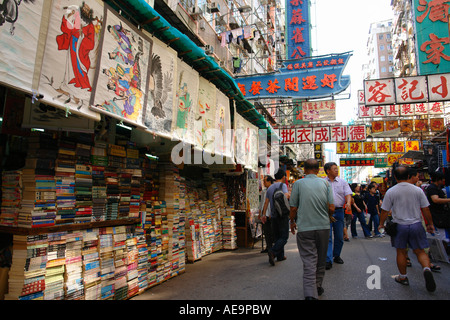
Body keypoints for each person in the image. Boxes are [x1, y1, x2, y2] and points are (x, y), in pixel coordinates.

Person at [379, 166, 436, 292]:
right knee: (420, 251)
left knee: (401, 252)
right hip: (416, 224)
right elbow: (425, 209)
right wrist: (430, 224)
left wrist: (381, 224)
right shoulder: (417, 190)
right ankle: (426, 269)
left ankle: (403, 277)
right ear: (409, 176)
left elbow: (384, 210)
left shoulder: (391, 191)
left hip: (399, 226)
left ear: (394, 177)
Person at [289, 159, 335, 300]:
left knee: (309, 261)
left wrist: (292, 221)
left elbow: (293, 207)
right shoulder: (325, 183)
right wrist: (328, 216)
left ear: (304, 169)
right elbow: (332, 207)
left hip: (305, 229)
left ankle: (310, 294)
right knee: (321, 260)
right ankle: (318, 285)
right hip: (323, 227)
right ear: (318, 170)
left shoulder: (298, 184)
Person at [324, 162, 352, 269]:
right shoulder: (322, 182)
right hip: (326, 213)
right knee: (328, 237)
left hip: (339, 212)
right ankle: (328, 259)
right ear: (328, 171)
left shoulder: (342, 182)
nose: (337, 170)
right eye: (334, 169)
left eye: (337, 169)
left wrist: (348, 203)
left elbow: (348, 194)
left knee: (339, 236)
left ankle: (336, 255)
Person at [261, 169, 290, 266]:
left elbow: (266, 203)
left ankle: (280, 256)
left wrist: (263, 215)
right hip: (282, 215)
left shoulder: (269, 188)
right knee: (284, 237)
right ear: (283, 177)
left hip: (273, 216)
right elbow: (286, 196)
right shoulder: (283, 185)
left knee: (277, 236)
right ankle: (273, 252)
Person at [258, 175, 275, 253]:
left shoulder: (274, 190)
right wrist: (260, 212)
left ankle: (272, 248)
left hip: (271, 214)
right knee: (266, 231)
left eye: (265, 181)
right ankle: (268, 247)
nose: (264, 183)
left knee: (272, 232)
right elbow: (262, 202)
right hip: (265, 214)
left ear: (269, 181)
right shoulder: (264, 191)